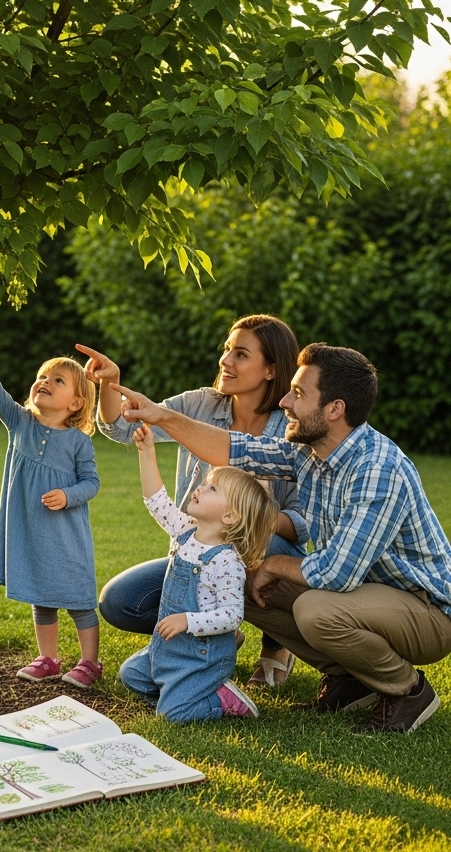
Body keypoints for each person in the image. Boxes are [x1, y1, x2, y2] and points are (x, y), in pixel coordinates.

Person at [107, 343, 451, 734]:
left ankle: (407, 690)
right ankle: (352, 678)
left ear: (335, 409)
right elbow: (234, 450)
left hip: (427, 612)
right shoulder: (311, 451)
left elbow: (337, 574)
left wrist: (274, 564)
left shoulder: (377, 470)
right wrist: (162, 415)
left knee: (315, 609)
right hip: (368, 596)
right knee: (242, 572)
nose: (285, 401)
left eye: (299, 394)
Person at [77, 314, 308, 688]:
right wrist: (109, 384)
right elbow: (123, 428)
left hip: (263, 550)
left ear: (270, 370)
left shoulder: (292, 426)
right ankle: (216, 631)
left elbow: (302, 523)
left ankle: (276, 646)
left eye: (241, 354)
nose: (226, 361)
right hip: (198, 556)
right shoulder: (200, 404)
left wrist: (253, 517)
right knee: (120, 601)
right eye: (227, 350)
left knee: (266, 543)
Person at [118, 424, 278, 722]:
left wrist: (186, 620)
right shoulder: (186, 531)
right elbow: (156, 502)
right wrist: (147, 451)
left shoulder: (227, 562)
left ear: (230, 516)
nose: (201, 487)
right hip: (168, 650)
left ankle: (220, 698)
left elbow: (232, 616)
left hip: (200, 657)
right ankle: (181, 692)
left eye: (212, 488)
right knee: (130, 675)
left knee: (172, 715)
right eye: (206, 482)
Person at [0, 327, 103, 688]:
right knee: (41, 595)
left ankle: (89, 663)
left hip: (66, 536)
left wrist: (68, 495)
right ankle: (48, 658)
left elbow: (91, 483)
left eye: (57, 380)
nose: (44, 382)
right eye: (42, 377)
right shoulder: (21, 423)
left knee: (78, 597)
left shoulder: (78, 442)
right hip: (31, 531)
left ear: (76, 403)